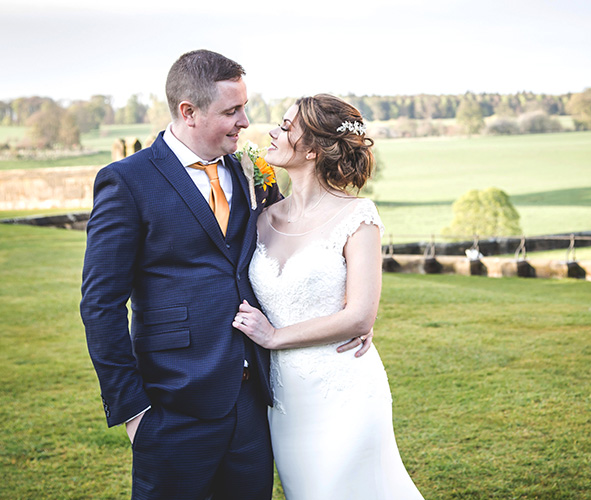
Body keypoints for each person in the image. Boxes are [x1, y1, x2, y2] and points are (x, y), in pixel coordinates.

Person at [80, 51, 368, 500]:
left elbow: (291, 253)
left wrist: (345, 318)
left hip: (254, 405)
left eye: (244, 107)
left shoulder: (250, 171)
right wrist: (133, 410)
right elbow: (101, 305)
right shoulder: (127, 182)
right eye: (232, 111)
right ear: (188, 112)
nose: (245, 121)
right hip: (173, 404)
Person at [233, 94, 424, 499]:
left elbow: (359, 317)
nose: (272, 131)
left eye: (286, 127)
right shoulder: (261, 218)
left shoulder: (359, 217)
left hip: (345, 388)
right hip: (284, 399)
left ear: (314, 149)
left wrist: (273, 337)